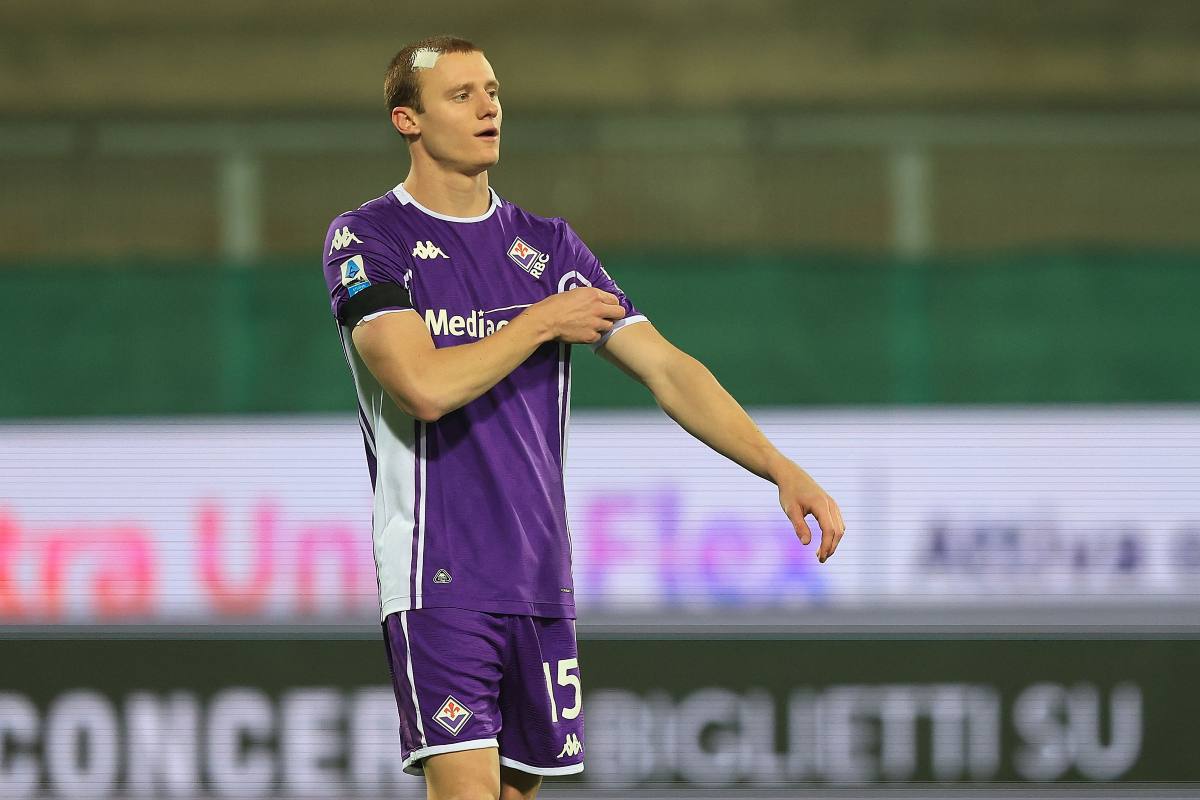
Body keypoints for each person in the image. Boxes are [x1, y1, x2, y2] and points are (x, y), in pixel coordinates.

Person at [321, 35, 846, 800]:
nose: (488, 106)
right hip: (438, 575)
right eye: (461, 94)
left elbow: (667, 367)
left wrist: (778, 465)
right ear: (408, 119)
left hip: (539, 577)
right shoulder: (369, 237)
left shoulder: (547, 246)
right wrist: (539, 322)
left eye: (493, 89)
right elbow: (422, 387)